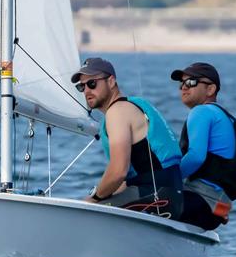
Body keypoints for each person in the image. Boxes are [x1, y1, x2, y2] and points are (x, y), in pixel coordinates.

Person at [71, 57, 184, 219]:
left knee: (81, 214)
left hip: (156, 196)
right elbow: (125, 180)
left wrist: (94, 198)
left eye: (92, 83)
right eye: (82, 87)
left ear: (111, 81)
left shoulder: (117, 112)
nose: (87, 90)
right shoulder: (134, 104)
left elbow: (118, 172)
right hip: (168, 194)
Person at [171, 62, 236, 230]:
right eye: (181, 84)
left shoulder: (202, 112)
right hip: (217, 212)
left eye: (191, 82)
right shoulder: (235, 123)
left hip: (198, 203)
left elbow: (196, 157)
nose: (184, 87)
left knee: (133, 198)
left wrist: (165, 179)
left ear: (210, 89)